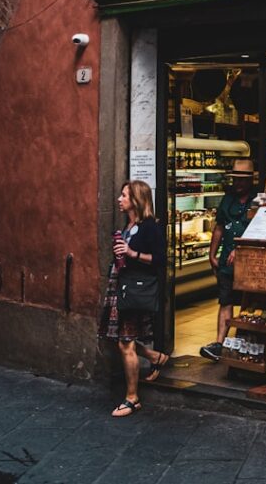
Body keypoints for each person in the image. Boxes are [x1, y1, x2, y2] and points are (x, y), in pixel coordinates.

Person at [97, 179, 168, 417]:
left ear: (136, 200)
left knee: (124, 342)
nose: (119, 199)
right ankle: (154, 356)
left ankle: (132, 398)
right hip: (120, 285)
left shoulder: (150, 227)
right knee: (119, 337)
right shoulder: (127, 226)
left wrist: (132, 253)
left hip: (135, 287)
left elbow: (159, 259)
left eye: (124, 195)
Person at [200, 158, 256, 361]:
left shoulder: (258, 199)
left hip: (250, 262)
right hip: (227, 261)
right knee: (225, 301)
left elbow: (262, 228)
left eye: (242, 180)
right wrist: (212, 254)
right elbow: (219, 227)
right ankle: (219, 344)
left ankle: (245, 345)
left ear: (250, 180)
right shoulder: (227, 199)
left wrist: (242, 248)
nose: (238, 184)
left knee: (249, 304)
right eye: (236, 180)